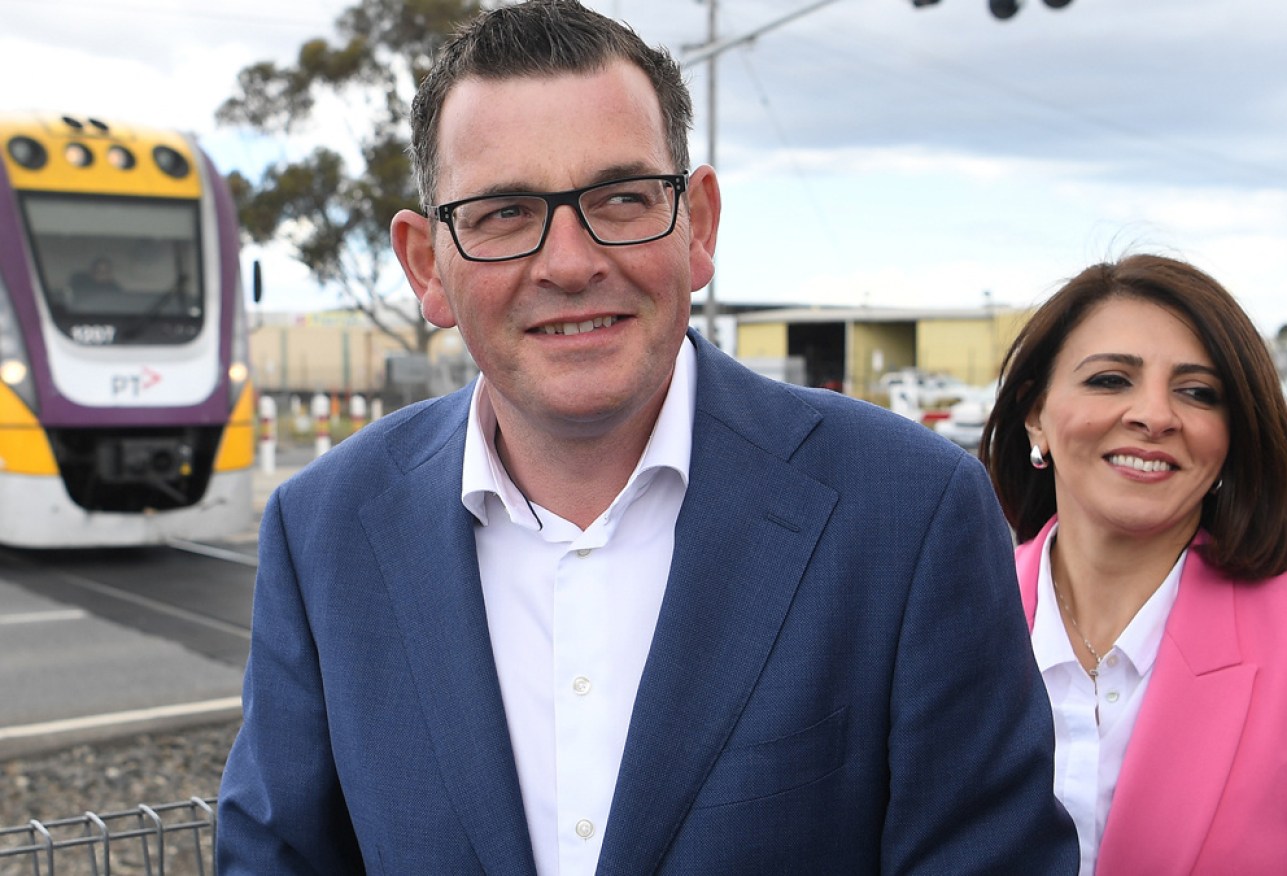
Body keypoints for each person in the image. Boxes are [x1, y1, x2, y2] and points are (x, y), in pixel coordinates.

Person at [218, 2, 1077, 872]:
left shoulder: (909, 514)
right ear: (425, 266)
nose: (569, 262)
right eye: (505, 212)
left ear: (697, 226)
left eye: (621, 198)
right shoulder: (323, 529)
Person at [980, 253, 1287, 875]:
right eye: (1110, 379)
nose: (1155, 416)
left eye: (1197, 393)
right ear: (1034, 413)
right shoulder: (939, 618)